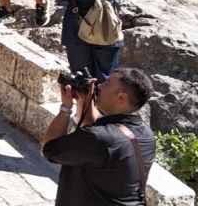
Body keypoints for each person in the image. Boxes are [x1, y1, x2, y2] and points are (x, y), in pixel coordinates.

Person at [42, 68, 157, 206]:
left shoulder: (101, 139)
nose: (99, 86)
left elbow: (49, 148)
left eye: (107, 83)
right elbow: (96, 130)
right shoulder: (146, 134)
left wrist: (66, 108)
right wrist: (85, 99)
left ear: (121, 97)